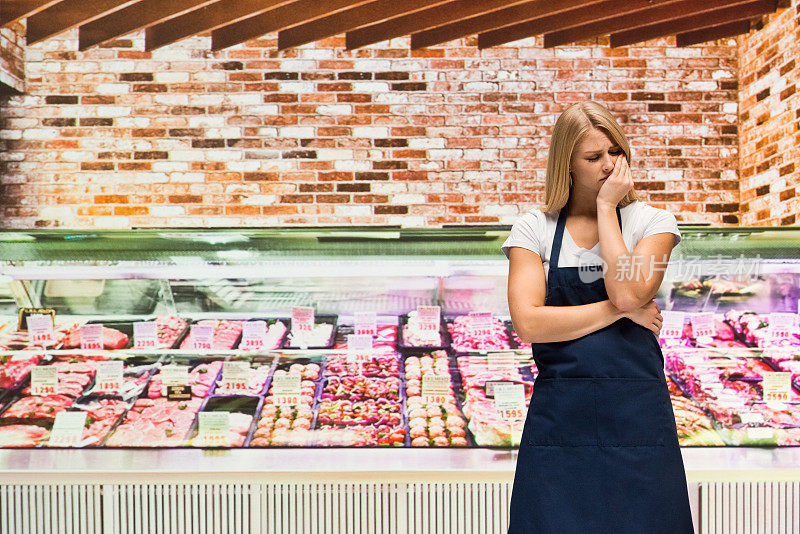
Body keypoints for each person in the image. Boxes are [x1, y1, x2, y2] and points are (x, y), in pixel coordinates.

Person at [502, 100, 695, 534]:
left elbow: (627, 289)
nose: (609, 165)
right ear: (566, 165)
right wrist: (617, 312)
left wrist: (607, 210)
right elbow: (530, 322)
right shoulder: (535, 229)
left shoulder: (652, 223)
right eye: (594, 157)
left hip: (638, 420)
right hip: (560, 422)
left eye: (615, 152)